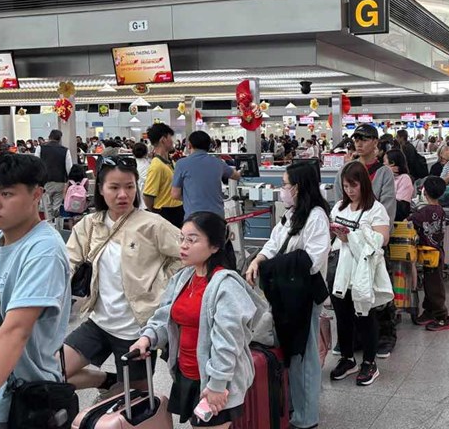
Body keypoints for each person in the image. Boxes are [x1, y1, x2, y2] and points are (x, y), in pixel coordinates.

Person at [62, 156, 182, 396]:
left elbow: (187, 255)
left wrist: (162, 281)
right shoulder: (90, 224)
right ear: (101, 189)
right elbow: (68, 263)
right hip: (97, 322)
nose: (123, 194)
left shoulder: (152, 224)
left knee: (138, 400)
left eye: (129, 186)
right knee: (56, 372)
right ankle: (106, 380)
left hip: (136, 332)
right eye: (114, 187)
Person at [0, 154, 71, 428]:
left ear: (36, 195)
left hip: (22, 399)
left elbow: (16, 330)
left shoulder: (44, 250)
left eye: (6, 193)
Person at [131, 212, 257, 428]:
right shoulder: (183, 277)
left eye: (192, 239)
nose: (184, 245)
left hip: (217, 378)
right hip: (187, 374)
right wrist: (148, 338)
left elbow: (228, 342)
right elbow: (165, 316)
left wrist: (218, 385)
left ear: (215, 246)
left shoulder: (226, 285)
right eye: (182, 238)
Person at [245, 162, 330, 429]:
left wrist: (272, 265)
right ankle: (295, 405)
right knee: (292, 352)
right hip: (288, 293)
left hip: (303, 296)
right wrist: (259, 259)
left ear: (299, 186)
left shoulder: (316, 216)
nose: (282, 190)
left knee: (303, 356)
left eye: (285, 185)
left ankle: (306, 419)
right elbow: (275, 241)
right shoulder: (293, 212)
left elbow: (311, 260)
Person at [333, 123, 397, 358]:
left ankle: (385, 335)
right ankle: (353, 339)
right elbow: (340, 202)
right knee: (349, 289)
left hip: (373, 237)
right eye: (356, 138)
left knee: (377, 287)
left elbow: (388, 206)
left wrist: (378, 235)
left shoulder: (383, 172)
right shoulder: (346, 170)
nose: (359, 142)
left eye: (365, 138)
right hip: (348, 242)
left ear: (375, 143)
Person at [328, 161, 391, 386]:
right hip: (339, 271)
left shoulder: (376, 209)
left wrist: (352, 237)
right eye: (346, 186)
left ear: (363, 184)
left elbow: (382, 239)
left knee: (364, 315)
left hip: (363, 270)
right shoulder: (339, 207)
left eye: (353, 186)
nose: (350, 191)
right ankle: (347, 358)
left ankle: (369, 362)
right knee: (342, 317)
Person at [408, 176, 449, 331]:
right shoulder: (440, 210)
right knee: (430, 282)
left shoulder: (424, 211)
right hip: (437, 252)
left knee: (434, 286)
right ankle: (429, 311)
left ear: (424, 191)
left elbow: (410, 220)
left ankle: (442, 317)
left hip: (429, 253)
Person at [172, 131, 242, 220]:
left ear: (189, 145)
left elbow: (175, 194)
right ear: (209, 146)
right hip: (217, 217)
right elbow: (236, 176)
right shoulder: (218, 163)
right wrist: (241, 170)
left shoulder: (181, 164)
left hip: (193, 218)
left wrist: (192, 198)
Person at [144, 123, 185, 228]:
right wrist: (157, 212)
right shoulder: (157, 166)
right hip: (166, 213)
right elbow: (148, 196)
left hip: (177, 211)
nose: (173, 141)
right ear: (163, 140)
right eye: (170, 137)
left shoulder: (169, 162)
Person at [35, 129, 74, 220]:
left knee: (46, 206)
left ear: (49, 137)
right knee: (57, 207)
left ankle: (49, 224)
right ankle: (57, 225)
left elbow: (36, 165)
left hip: (45, 182)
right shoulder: (65, 150)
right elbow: (69, 169)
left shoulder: (40, 148)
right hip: (60, 182)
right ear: (60, 139)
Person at [384, 149, 414, 221]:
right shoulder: (386, 177)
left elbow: (400, 209)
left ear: (392, 163)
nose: (383, 164)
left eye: (385, 161)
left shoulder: (404, 179)